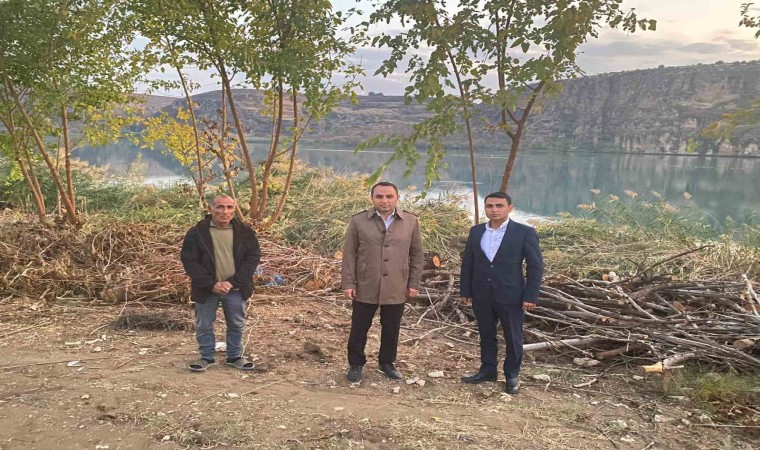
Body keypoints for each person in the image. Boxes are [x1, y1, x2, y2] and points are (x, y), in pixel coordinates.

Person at [459, 192, 544, 394]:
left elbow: (535, 266)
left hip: (511, 294)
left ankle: (511, 375)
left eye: (499, 206)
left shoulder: (524, 232)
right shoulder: (476, 231)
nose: (494, 210)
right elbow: (468, 262)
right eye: (489, 206)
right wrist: (466, 290)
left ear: (510, 208)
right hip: (481, 293)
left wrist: (531, 295)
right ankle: (488, 370)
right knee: (486, 334)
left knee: (513, 336)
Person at [341, 181, 424, 383]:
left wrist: (413, 283)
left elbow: (417, 254)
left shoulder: (410, 221)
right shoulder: (359, 221)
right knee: (359, 326)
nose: (384, 201)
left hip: (397, 283)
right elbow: (349, 254)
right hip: (365, 282)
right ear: (372, 198)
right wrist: (348, 283)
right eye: (379, 196)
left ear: (397, 198)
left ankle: (387, 362)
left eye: (389, 196)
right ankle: (356, 364)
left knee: (391, 327)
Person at [180, 194, 261, 372]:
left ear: (234, 209)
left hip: (236, 288)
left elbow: (253, 258)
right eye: (220, 207)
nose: (225, 211)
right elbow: (189, 261)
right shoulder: (197, 232)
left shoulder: (245, 232)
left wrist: (232, 282)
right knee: (204, 325)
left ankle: (234, 357)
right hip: (206, 289)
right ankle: (206, 358)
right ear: (211, 209)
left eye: (229, 207)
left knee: (236, 324)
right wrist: (211, 284)